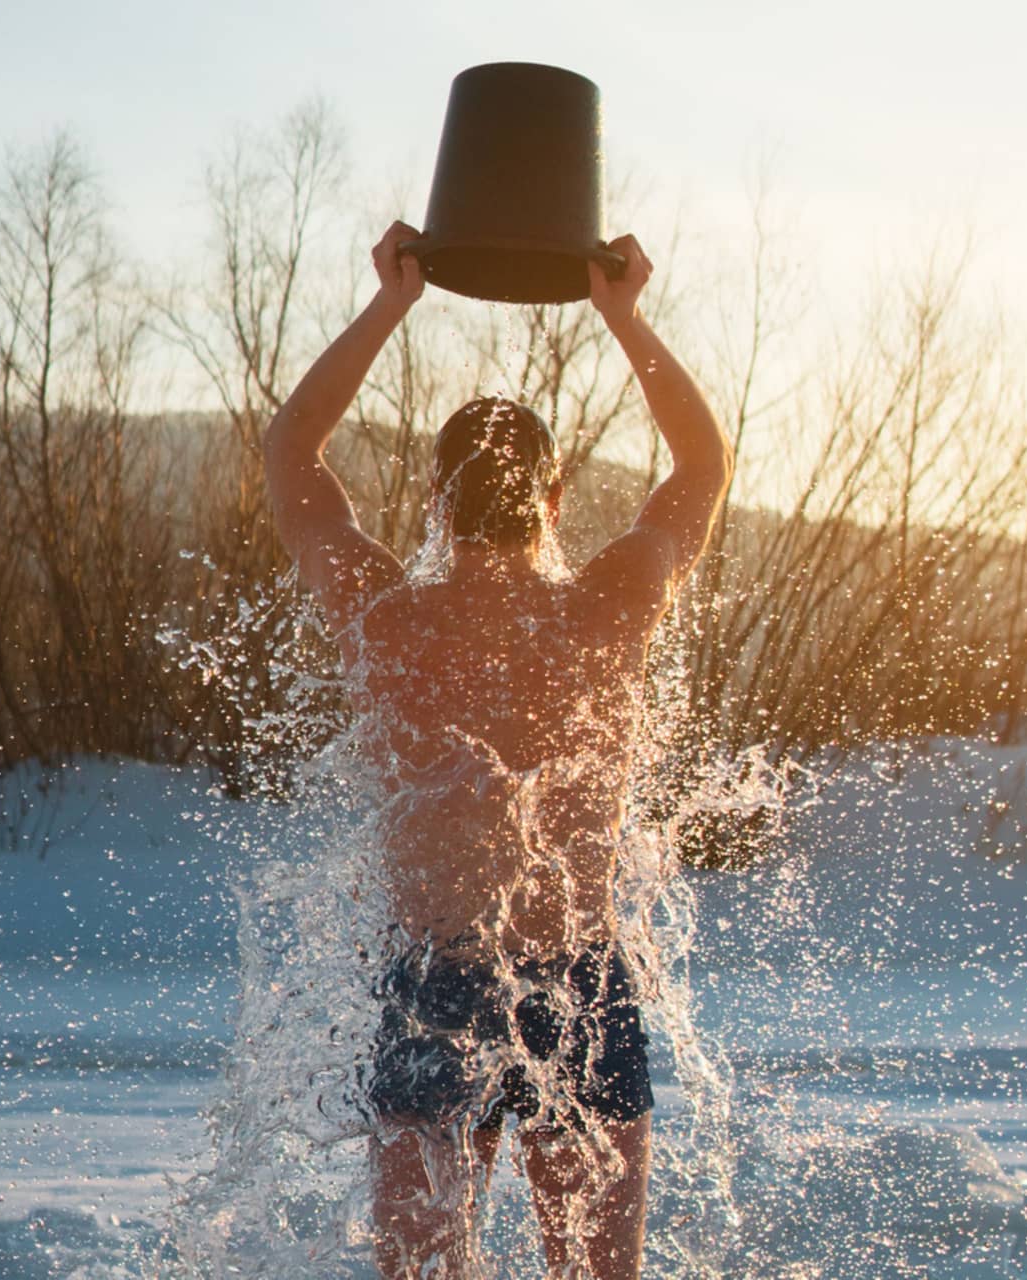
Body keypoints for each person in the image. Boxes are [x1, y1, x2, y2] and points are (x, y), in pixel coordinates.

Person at [263, 220, 732, 1279]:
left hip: (434, 981)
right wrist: (622, 314)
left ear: (436, 502)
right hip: (582, 985)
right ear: (554, 501)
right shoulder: (607, 610)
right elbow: (703, 465)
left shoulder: (387, 619)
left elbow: (291, 452)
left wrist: (392, 300)